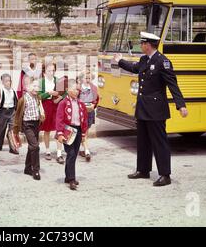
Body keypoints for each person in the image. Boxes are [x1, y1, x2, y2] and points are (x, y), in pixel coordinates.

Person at [113, 31, 188, 187]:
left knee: (159, 142)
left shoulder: (163, 62)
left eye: (142, 43)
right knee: (143, 141)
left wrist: (180, 105)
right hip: (143, 108)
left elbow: (172, 84)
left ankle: (165, 174)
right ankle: (143, 170)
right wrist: (120, 61)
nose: (141, 46)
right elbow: (134, 68)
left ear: (148, 45)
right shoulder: (144, 59)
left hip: (156, 109)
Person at [56, 79, 88, 190]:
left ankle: (68, 176)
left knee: (73, 155)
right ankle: (71, 179)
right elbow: (59, 119)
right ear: (67, 90)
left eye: (77, 89)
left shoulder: (80, 103)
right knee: (71, 153)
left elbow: (84, 119)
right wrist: (60, 133)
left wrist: (84, 132)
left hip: (78, 130)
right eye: (73, 89)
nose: (76, 91)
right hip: (68, 131)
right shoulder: (63, 103)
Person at [13, 79, 45, 181]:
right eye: (35, 86)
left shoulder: (38, 97)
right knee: (35, 146)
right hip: (27, 125)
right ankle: (35, 170)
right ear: (29, 87)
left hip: (36, 124)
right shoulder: (23, 99)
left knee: (32, 147)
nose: (37, 89)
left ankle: (27, 168)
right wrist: (16, 129)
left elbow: (40, 108)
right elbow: (17, 115)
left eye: (38, 87)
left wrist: (42, 115)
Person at [39, 62, 65, 164]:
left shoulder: (58, 80)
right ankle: (47, 150)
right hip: (46, 106)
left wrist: (59, 97)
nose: (51, 72)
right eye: (49, 70)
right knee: (47, 129)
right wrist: (48, 93)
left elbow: (65, 92)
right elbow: (39, 96)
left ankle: (59, 152)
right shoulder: (41, 82)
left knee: (59, 129)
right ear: (44, 71)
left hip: (57, 106)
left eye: (53, 70)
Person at [0, 73, 19, 154]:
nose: (8, 83)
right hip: (3, 111)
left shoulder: (13, 91)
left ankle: (12, 147)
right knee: (1, 129)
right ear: (2, 82)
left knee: (12, 130)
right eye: (6, 81)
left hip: (12, 111)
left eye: (9, 81)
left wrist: (16, 110)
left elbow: (16, 101)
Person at [77, 70, 99, 162]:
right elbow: (76, 99)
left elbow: (96, 99)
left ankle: (83, 148)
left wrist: (93, 105)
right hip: (81, 111)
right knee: (82, 130)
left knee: (86, 130)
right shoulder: (79, 88)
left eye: (89, 78)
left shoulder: (93, 87)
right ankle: (85, 149)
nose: (87, 80)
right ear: (82, 79)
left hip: (89, 110)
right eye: (86, 78)